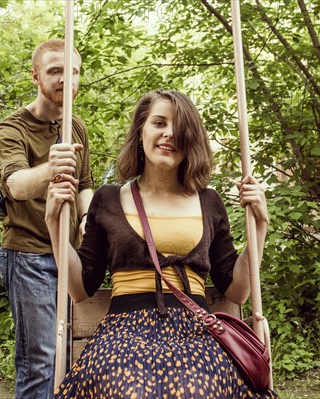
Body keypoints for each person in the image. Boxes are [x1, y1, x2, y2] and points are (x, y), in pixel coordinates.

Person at [45, 89, 277, 398]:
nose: (170, 134)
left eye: (180, 127)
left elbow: (237, 291)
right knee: (128, 390)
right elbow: (79, 288)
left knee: (195, 391)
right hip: (123, 333)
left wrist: (259, 226)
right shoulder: (109, 199)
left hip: (195, 333)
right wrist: (54, 224)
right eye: (159, 123)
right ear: (141, 132)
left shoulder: (209, 202)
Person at [0, 39, 94, 399]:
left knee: (71, 354)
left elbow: (85, 185)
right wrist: (52, 167)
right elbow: (16, 185)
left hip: (69, 256)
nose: (68, 79)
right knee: (41, 360)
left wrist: (88, 218)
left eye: (74, 71)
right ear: (35, 76)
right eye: (56, 71)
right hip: (29, 257)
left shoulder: (76, 126)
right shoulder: (11, 129)